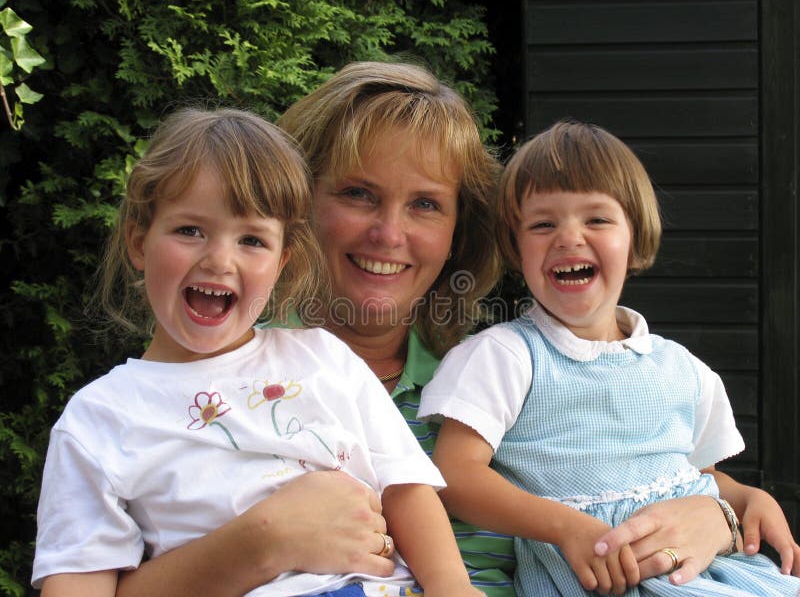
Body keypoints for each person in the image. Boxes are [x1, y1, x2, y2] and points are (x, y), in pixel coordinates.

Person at [107, 62, 745, 597]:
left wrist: (722, 517)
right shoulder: (206, 385)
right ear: (295, 211)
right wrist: (260, 542)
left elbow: (641, 477)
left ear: (457, 234)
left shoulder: (498, 383)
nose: (390, 233)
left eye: (425, 205)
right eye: (358, 193)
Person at [31, 107, 481, 597]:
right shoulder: (98, 421)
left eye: (251, 240)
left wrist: (453, 588)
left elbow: (406, 489)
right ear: (139, 241)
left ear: (281, 261)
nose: (220, 260)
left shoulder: (324, 358)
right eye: (190, 231)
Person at [419, 119, 800, 596]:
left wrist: (748, 498)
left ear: (635, 237)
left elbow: (699, 477)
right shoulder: (506, 355)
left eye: (596, 219)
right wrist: (564, 527)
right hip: (593, 577)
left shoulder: (683, 369)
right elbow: (454, 474)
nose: (568, 237)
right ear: (516, 249)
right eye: (543, 224)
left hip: (702, 572)